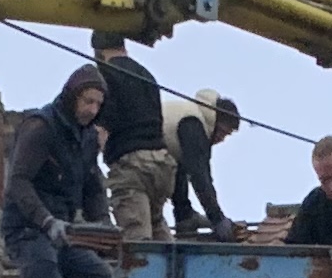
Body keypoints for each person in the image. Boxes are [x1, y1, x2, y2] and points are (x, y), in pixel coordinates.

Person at [2, 64, 117, 278]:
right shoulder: (41, 127)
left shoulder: (86, 137)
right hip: (28, 229)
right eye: (87, 101)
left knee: (99, 277)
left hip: (63, 229)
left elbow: (92, 185)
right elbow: (18, 182)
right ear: (72, 97)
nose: (92, 110)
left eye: (97, 104)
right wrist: (45, 220)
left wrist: (103, 226)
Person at [91, 31, 175, 240]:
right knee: (157, 226)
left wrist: (87, 163)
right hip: (162, 164)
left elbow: (102, 128)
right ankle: (175, 260)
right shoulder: (146, 75)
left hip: (132, 165)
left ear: (97, 52)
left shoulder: (106, 74)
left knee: (137, 239)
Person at [164, 88, 243, 238]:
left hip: (147, 162)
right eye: (221, 132)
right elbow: (200, 177)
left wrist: (184, 214)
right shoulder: (194, 124)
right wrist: (217, 219)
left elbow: (181, 170)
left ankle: (185, 215)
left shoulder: (190, 116)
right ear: (215, 120)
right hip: (138, 165)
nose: (221, 139)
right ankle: (185, 216)